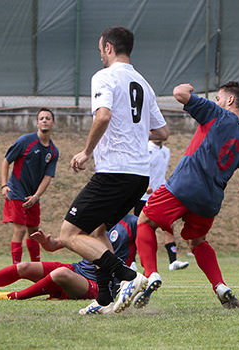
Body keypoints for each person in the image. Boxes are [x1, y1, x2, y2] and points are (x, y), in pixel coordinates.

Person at [58, 26, 168, 313]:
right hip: (138, 175)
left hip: (114, 172)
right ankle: (106, 299)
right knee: (96, 230)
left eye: (100, 50)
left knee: (69, 234)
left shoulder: (104, 77)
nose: (101, 55)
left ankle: (129, 277)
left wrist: (86, 152)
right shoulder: (143, 83)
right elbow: (163, 131)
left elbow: (103, 115)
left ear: (108, 47)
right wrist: (134, 132)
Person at [135, 81, 239, 309]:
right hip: (210, 200)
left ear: (230, 100)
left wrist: (188, 86)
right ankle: (221, 286)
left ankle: (151, 274)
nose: (216, 101)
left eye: (219, 97)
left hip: (184, 186)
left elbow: (179, 93)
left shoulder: (217, 113)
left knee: (144, 221)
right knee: (198, 241)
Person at [0, 214, 139, 315]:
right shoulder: (94, 219)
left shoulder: (132, 222)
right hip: (78, 270)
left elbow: (147, 239)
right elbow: (55, 245)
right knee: (24, 267)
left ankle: (12, 297)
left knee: (61, 273)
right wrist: (46, 242)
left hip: (98, 285)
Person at [1, 108, 59, 264]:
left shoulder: (53, 151)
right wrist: (4, 185)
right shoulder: (25, 141)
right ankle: (16, 268)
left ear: (53, 123)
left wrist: (36, 196)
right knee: (19, 229)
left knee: (34, 231)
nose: (45, 120)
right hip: (17, 191)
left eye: (48, 118)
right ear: (37, 122)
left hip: (33, 196)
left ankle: (36, 267)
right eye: (42, 118)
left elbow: (48, 177)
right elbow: (6, 161)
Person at [132, 140, 189, 271]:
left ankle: (173, 261)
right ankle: (131, 260)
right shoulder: (144, 148)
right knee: (138, 227)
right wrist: (143, 185)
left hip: (160, 195)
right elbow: (138, 168)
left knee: (168, 226)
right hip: (144, 196)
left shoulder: (166, 151)